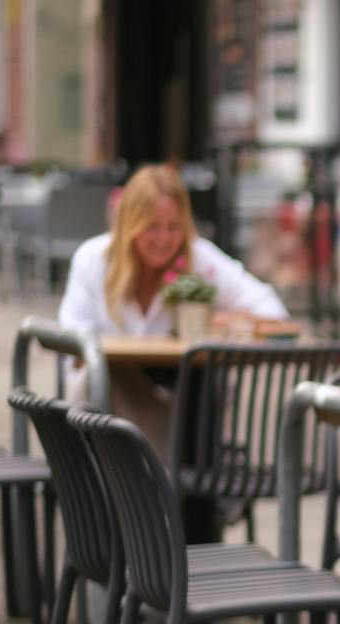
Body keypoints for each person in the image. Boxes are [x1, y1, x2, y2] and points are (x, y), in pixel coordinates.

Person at [58, 163, 288, 453]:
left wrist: (221, 321)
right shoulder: (94, 259)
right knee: (101, 377)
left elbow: (273, 312)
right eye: (152, 227)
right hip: (106, 405)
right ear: (130, 224)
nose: (164, 239)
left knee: (200, 383)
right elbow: (74, 344)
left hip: (175, 403)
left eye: (174, 227)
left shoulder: (200, 259)